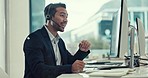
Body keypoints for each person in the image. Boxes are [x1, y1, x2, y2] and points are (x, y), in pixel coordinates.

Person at [23, 3, 91, 78]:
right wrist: (70, 68)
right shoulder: (35, 39)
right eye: (62, 15)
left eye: (66, 17)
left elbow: (69, 62)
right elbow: (39, 70)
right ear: (49, 17)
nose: (65, 20)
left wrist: (82, 51)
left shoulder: (59, 41)